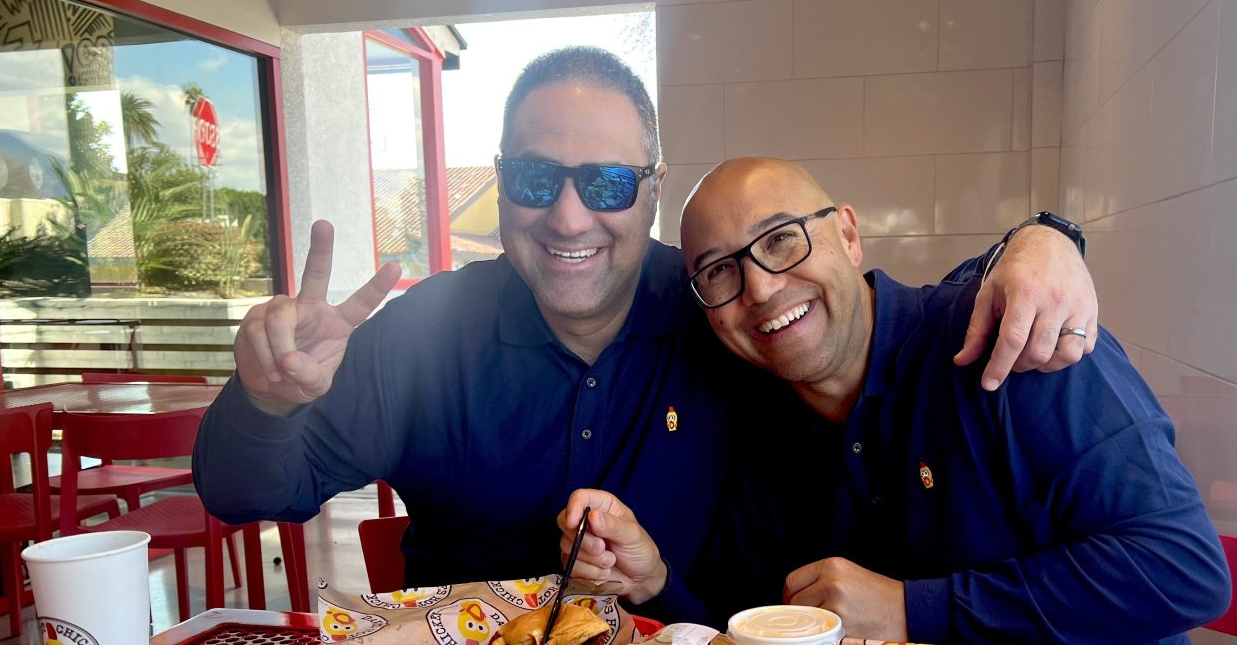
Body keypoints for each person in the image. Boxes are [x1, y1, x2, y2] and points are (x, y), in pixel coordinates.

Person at [194, 48, 1098, 589]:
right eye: (536, 180)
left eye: (610, 183)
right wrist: (267, 400)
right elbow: (243, 493)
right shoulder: (427, 334)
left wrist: (1040, 240)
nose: (570, 216)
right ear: (502, 184)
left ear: (653, 191)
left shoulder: (724, 304)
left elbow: (866, 317)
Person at [559, 158, 1230, 645]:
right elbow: (749, 631)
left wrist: (918, 610)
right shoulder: (763, 433)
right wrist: (654, 579)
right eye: (719, 273)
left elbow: (1182, 567)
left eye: (783, 240)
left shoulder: (1009, 339)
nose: (760, 288)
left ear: (848, 236)